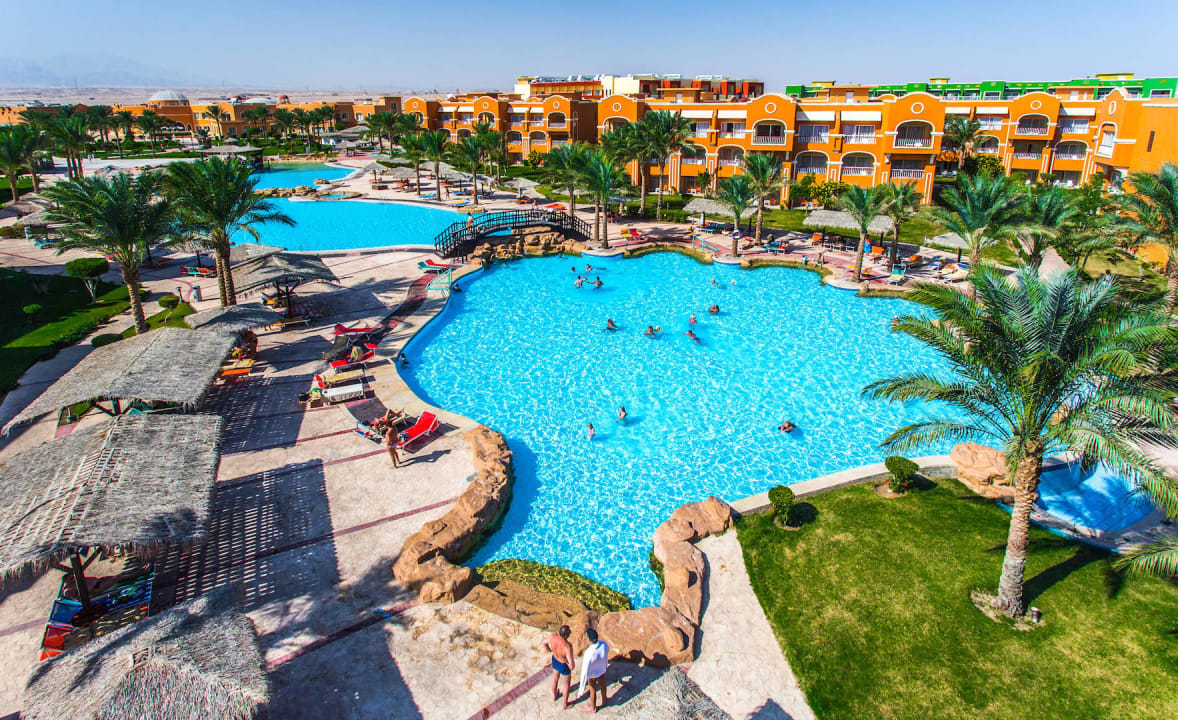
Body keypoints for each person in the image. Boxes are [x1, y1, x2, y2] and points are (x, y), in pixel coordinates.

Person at [578, 628, 610, 713]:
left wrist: (581, 687)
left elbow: (585, 669)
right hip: (601, 670)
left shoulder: (589, 652)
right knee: (603, 685)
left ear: (589, 639)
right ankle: (604, 701)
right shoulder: (604, 644)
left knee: (592, 690)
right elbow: (607, 651)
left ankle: (593, 708)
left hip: (592, 674)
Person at [544, 625, 576, 709]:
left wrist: (549, 650)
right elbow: (572, 665)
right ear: (566, 635)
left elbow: (544, 643)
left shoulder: (553, 637)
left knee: (555, 678)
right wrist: (570, 665)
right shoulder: (567, 646)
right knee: (566, 685)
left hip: (555, 659)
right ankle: (565, 704)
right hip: (563, 665)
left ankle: (554, 696)